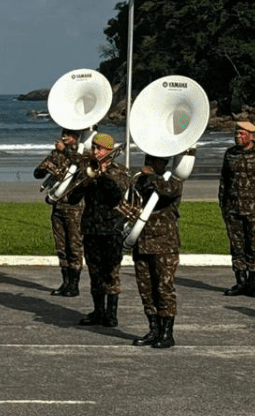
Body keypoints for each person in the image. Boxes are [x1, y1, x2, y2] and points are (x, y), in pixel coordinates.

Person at [67, 133, 131, 328]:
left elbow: (116, 197)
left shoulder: (120, 171)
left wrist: (101, 176)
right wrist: (85, 180)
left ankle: (111, 314)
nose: (96, 152)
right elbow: (72, 198)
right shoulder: (86, 170)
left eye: (100, 148)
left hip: (112, 229)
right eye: (94, 147)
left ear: (109, 151)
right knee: (95, 273)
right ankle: (98, 311)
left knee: (111, 272)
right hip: (92, 228)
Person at [218, 121, 255, 298]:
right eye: (236, 134)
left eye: (242, 134)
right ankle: (240, 281)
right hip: (233, 208)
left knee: (253, 245)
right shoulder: (230, 154)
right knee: (236, 246)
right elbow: (224, 181)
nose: (238, 136)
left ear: (251, 136)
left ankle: (253, 283)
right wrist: (223, 204)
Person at [129, 155, 183, 348]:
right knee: (146, 290)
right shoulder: (139, 180)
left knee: (164, 289)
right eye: (148, 160)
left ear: (164, 163)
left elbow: (166, 192)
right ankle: (153, 329)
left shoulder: (174, 181)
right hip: (142, 241)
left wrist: (151, 177)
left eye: (155, 161)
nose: (150, 164)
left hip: (163, 244)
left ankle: (167, 333)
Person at [33, 129, 85, 297]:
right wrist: (47, 167)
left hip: (74, 207)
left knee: (74, 246)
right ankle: (66, 282)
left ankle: (75, 284)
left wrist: (66, 150)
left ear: (76, 137)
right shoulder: (56, 154)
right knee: (61, 247)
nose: (65, 138)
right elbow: (37, 173)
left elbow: (83, 164)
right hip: (58, 205)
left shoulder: (82, 153)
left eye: (69, 135)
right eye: (64, 134)